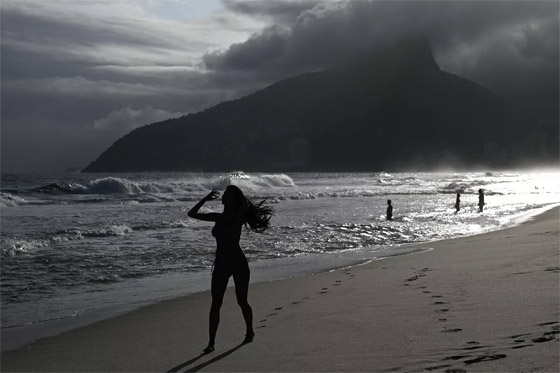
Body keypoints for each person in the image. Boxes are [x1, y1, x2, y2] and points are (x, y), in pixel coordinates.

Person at [188, 185, 272, 354]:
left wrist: (241, 203)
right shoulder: (218, 217)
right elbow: (192, 214)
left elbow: (245, 206)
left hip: (238, 263)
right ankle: (211, 343)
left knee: (242, 301)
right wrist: (205, 198)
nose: (223, 195)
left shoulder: (238, 215)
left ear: (233, 200)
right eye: (224, 193)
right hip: (221, 264)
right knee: (215, 303)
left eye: (228, 194)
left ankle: (250, 331)